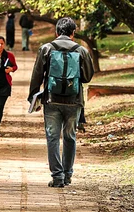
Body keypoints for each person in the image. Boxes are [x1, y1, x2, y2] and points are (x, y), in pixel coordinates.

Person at [28, 17, 94, 187]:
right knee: (70, 137)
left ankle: (57, 177)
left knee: (52, 138)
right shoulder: (81, 51)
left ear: (56, 32)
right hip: (74, 102)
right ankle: (67, 175)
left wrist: (34, 97)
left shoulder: (46, 49)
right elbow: (87, 77)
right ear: (73, 33)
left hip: (52, 100)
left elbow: (36, 75)